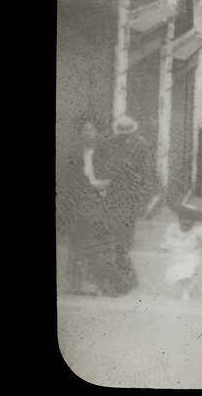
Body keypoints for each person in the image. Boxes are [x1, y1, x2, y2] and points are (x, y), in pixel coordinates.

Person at [96, 115, 155, 296]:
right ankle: (120, 282)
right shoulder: (109, 145)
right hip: (113, 198)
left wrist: (143, 200)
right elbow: (100, 168)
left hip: (129, 200)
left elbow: (148, 173)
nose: (124, 137)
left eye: (126, 134)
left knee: (122, 241)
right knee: (114, 241)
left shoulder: (141, 145)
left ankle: (123, 282)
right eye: (122, 134)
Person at [62, 119, 111, 294]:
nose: (88, 133)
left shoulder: (105, 153)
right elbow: (67, 181)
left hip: (99, 201)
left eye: (91, 129)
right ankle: (75, 283)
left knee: (97, 243)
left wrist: (103, 185)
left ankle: (97, 283)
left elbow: (113, 176)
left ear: (97, 133)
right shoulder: (73, 154)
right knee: (76, 243)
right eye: (84, 129)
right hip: (79, 203)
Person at [162, 204, 202, 301]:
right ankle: (178, 291)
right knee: (172, 277)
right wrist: (165, 247)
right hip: (175, 257)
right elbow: (166, 242)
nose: (186, 221)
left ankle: (186, 292)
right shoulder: (173, 228)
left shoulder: (198, 231)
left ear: (194, 221)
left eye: (190, 219)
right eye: (184, 218)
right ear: (180, 219)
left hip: (190, 257)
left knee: (188, 270)